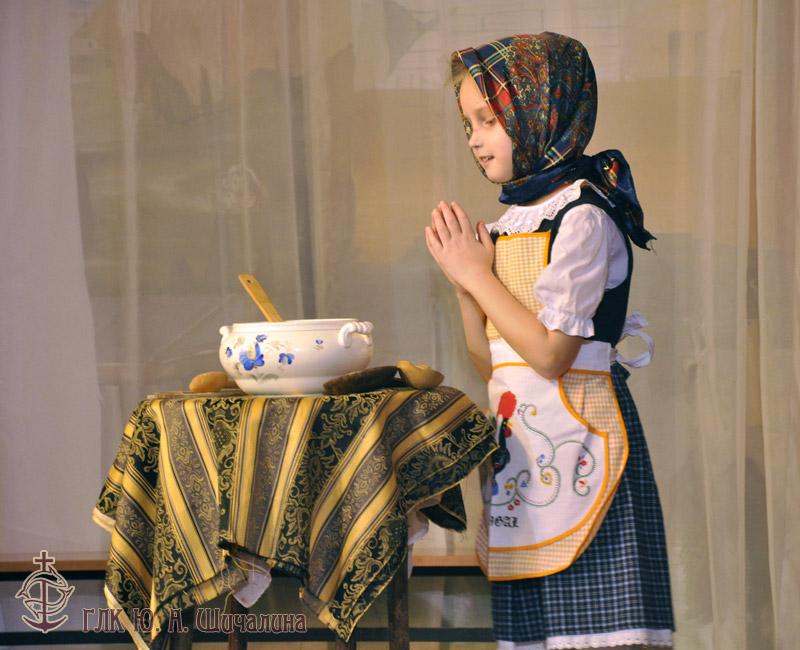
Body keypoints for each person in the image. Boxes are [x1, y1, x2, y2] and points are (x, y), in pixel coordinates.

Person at [424, 33, 674, 649]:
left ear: (541, 112)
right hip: (524, 464)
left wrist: (478, 277)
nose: (475, 138)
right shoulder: (511, 224)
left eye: (488, 120)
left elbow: (551, 355)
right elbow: (492, 364)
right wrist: (465, 286)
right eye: (468, 124)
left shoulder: (583, 217)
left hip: (584, 448)